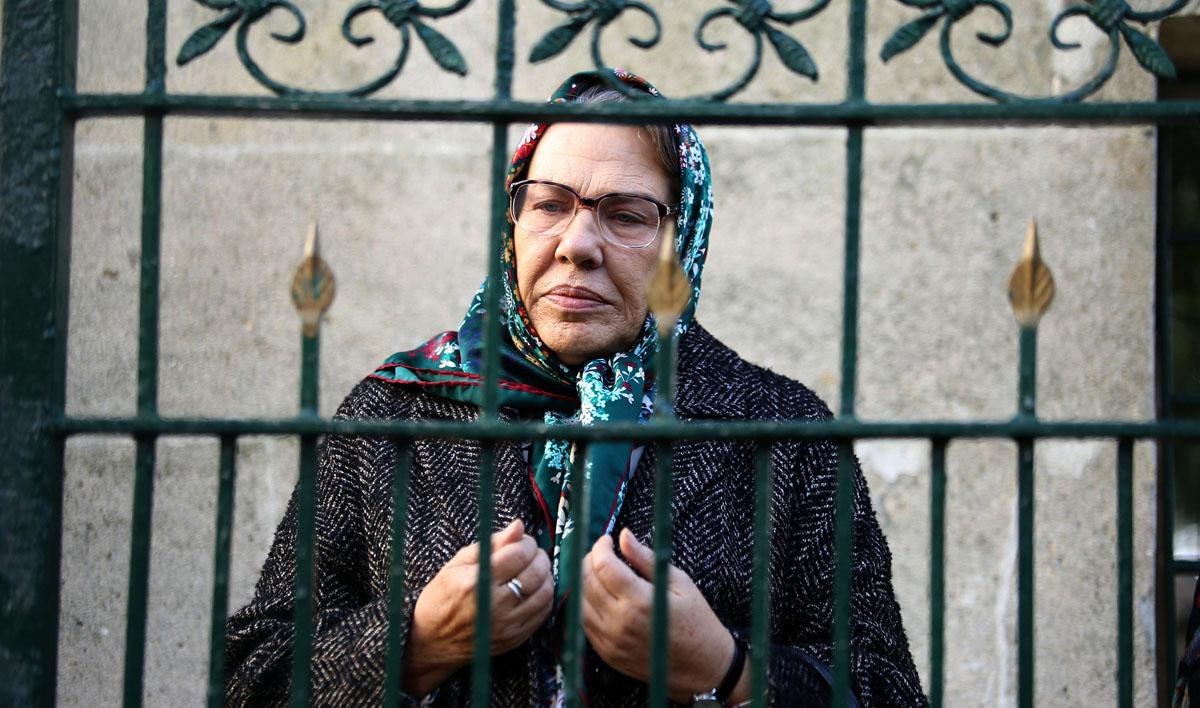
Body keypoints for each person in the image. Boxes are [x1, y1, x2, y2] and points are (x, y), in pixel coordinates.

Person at [224, 69, 926, 707]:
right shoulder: (396, 412)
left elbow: (887, 689)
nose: (576, 244)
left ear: (684, 241)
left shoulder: (780, 432)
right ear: (513, 222)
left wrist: (727, 667)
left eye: (626, 215)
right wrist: (418, 643)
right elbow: (250, 676)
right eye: (549, 204)